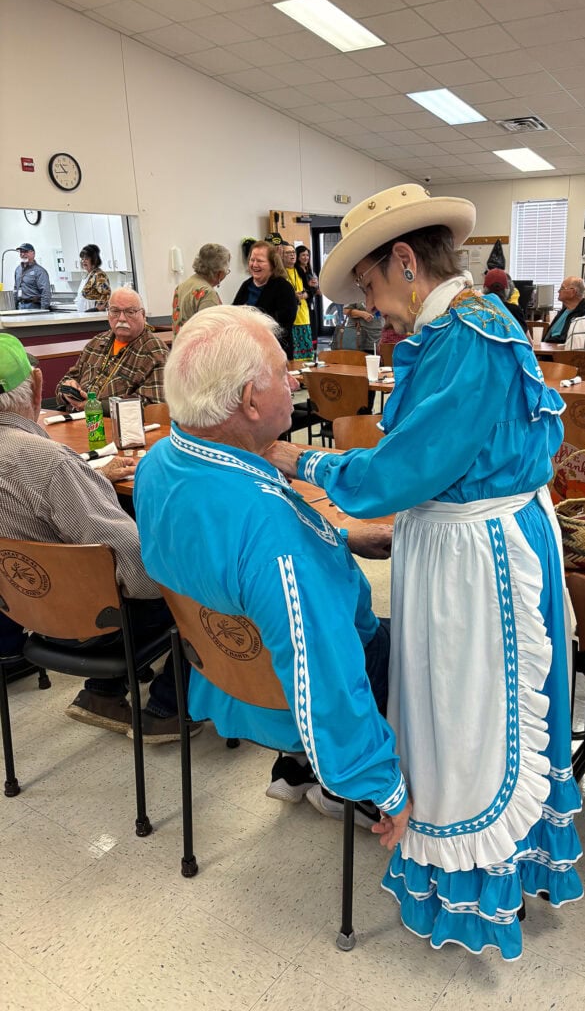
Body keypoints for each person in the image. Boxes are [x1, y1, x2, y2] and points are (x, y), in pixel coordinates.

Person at [266, 183, 583, 960]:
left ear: (405, 261)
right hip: (462, 543)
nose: (370, 308)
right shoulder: (453, 333)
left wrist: (304, 459)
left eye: (369, 286)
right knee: (451, 712)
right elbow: (432, 466)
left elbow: (406, 468)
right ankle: (466, 866)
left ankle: (476, 880)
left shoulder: (468, 337)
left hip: (483, 558)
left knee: (472, 721)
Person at [133, 306, 411, 831]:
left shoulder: (157, 465)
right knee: (432, 646)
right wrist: (384, 788)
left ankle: (295, 768)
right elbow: (322, 676)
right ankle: (338, 785)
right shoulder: (270, 526)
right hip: (290, 698)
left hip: (224, 669)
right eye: (284, 371)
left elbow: (228, 559)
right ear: (248, 400)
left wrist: (337, 535)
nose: (294, 381)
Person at [0, 335, 191, 742]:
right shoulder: (46, 462)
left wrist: (90, 481)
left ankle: (102, 693)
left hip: (27, 615)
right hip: (91, 624)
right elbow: (138, 569)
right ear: (37, 385)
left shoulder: (45, 466)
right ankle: (167, 707)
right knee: (191, 578)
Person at [56, 288, 168, 411]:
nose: (121, 318)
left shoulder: (155, 352)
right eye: (115, 311)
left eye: (130, 312)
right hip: (74, 419)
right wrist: (67, 391)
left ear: (143, 315)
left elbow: (153, 405)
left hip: (114, 424)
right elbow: (64, 382)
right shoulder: (96, 342)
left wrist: (96, 407)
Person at [232, 241, 297, 360]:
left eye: (260, 261)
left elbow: (285, 321)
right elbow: (234, 313)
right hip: (248, 352)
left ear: (272, 264)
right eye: (252, 260)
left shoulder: (283, 287)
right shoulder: (246, 285)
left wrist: (252, 320)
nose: (254, 265)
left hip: (274, 352)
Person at [171, 243, 230, 333]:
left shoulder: (181, 287)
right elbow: (211, 332)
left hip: (180, 345)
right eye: (227, 271)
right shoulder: (207, 293)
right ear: (220, 273)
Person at [280, 242, 314, 360]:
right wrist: (292, 295)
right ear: (281, 255)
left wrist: (304, 295)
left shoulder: (299, 270)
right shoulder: (280, 273)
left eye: (293, 252)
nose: (292, 255)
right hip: (290, 318)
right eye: (288, 253)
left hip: (303, 314)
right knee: (293, 356)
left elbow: (310, 291)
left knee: (307, 356)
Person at [542, 277, 585, 343]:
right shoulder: (563, 311)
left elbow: (567, 338)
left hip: (561, 351)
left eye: (562, 288)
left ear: (573, 292)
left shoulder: (584, 312)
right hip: (548, 348)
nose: (558, 291)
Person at [75, 244, 111, 312]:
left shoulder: (99, 275)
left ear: (94, 260)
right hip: (85, 315)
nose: (83, 261)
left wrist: (96, 309)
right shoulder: (88, 276)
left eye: (86, 258)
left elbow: (106, 295)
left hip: (93, 316)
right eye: (82, 259)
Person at [14, 244, 51, 310]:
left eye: (25, 252)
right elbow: (15, 288)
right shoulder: (18, 270)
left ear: (33, 253)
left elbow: (45, 292)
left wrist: (43, 311)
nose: (22, 254)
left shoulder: (39, 271)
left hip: (34, 306)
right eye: (21, 252)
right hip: (20, 306)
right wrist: (14, 307)